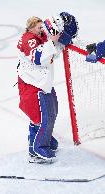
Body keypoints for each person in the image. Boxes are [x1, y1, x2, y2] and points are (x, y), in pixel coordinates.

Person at [16, 13, 79, 163]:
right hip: (31, 84)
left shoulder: (41, 36)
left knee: (52, 111)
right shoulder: (28, 39)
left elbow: (51, 52)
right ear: (30, 28)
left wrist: (61, 40)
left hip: (42, 82)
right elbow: (38, 58)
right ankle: (37, 147)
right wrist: (52, 41)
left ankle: (45, 137)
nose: (42, 30)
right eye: (38, 27)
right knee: (40, 116)